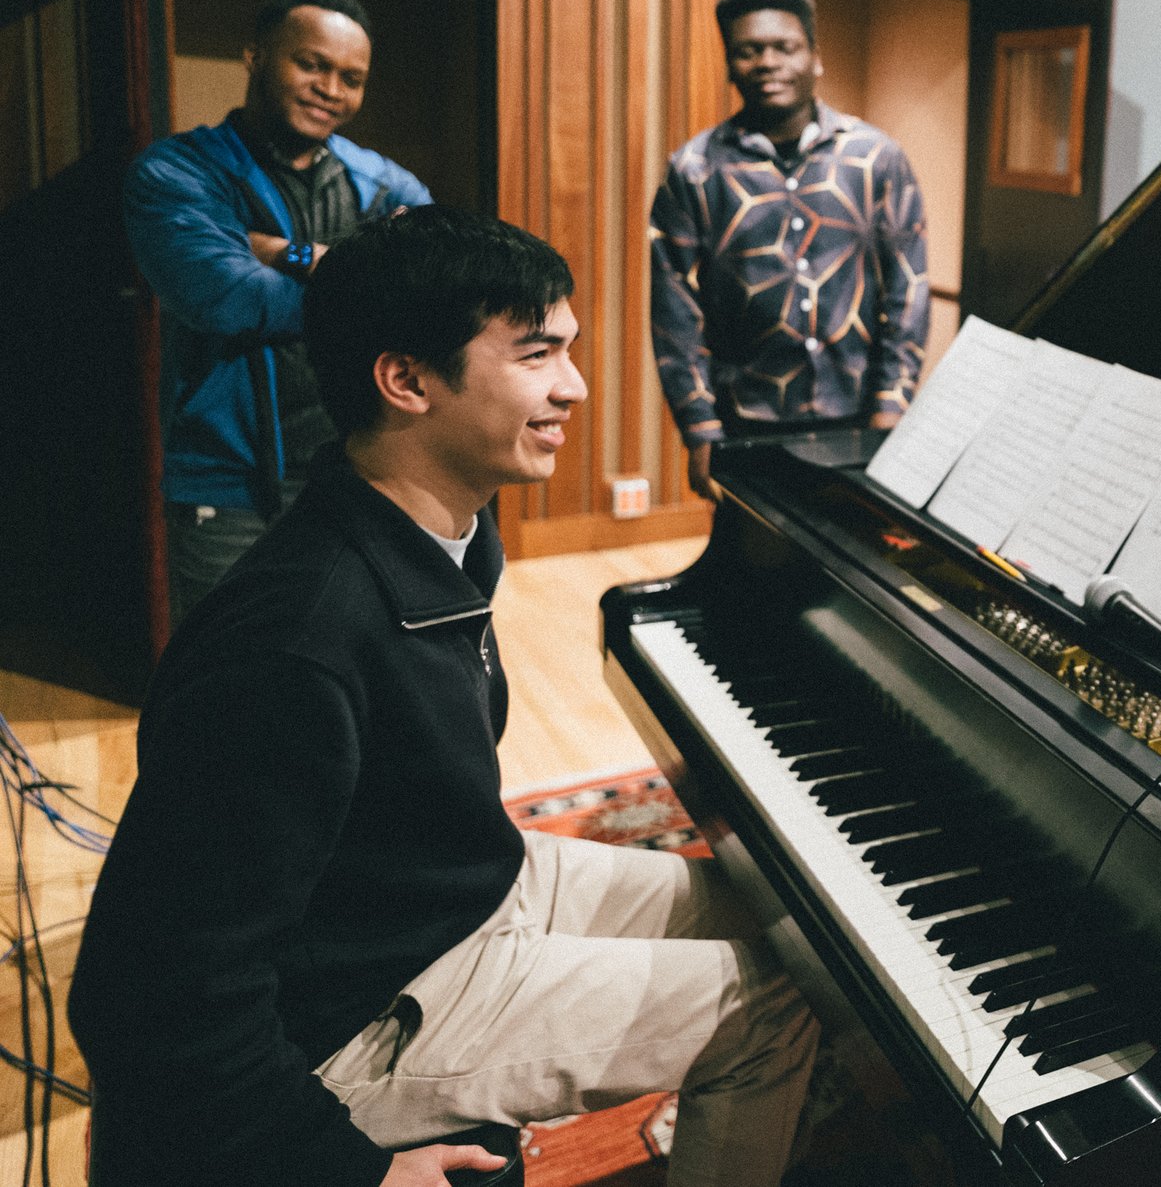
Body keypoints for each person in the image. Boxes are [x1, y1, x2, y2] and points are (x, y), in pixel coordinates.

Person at [70, 208, 820, 1187]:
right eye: (536, 352)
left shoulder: (448, 535)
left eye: (570, 349)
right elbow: (148, 996)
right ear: (407, 378)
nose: (574, 386)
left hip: (447, 888)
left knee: (788, 918)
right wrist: (349, 1168)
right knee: (770, 1007)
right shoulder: (295, 643)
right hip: (356, 1013)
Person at [124, 0, 431, 623]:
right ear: (255, 56)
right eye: (312, 64)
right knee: (223, 682)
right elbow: (229, 299)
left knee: (345, 669)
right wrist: (363, 282)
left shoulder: (384, 183)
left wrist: (283, 253)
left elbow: (428, 289)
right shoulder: (177, 172)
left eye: (351, 77)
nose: (331, 88)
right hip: (228, 484)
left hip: (363, 474)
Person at [651, 0, 930, 501]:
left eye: (785, 47)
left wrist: (892, 403)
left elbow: (908, 287)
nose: (767, 63)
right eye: (748, 51)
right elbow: (674, 311)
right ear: (731, 64)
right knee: (755, 571)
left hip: (861, 417)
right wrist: (700, 427)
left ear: (815, 59)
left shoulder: (876, 158)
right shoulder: (693, 171)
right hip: (747, 421)